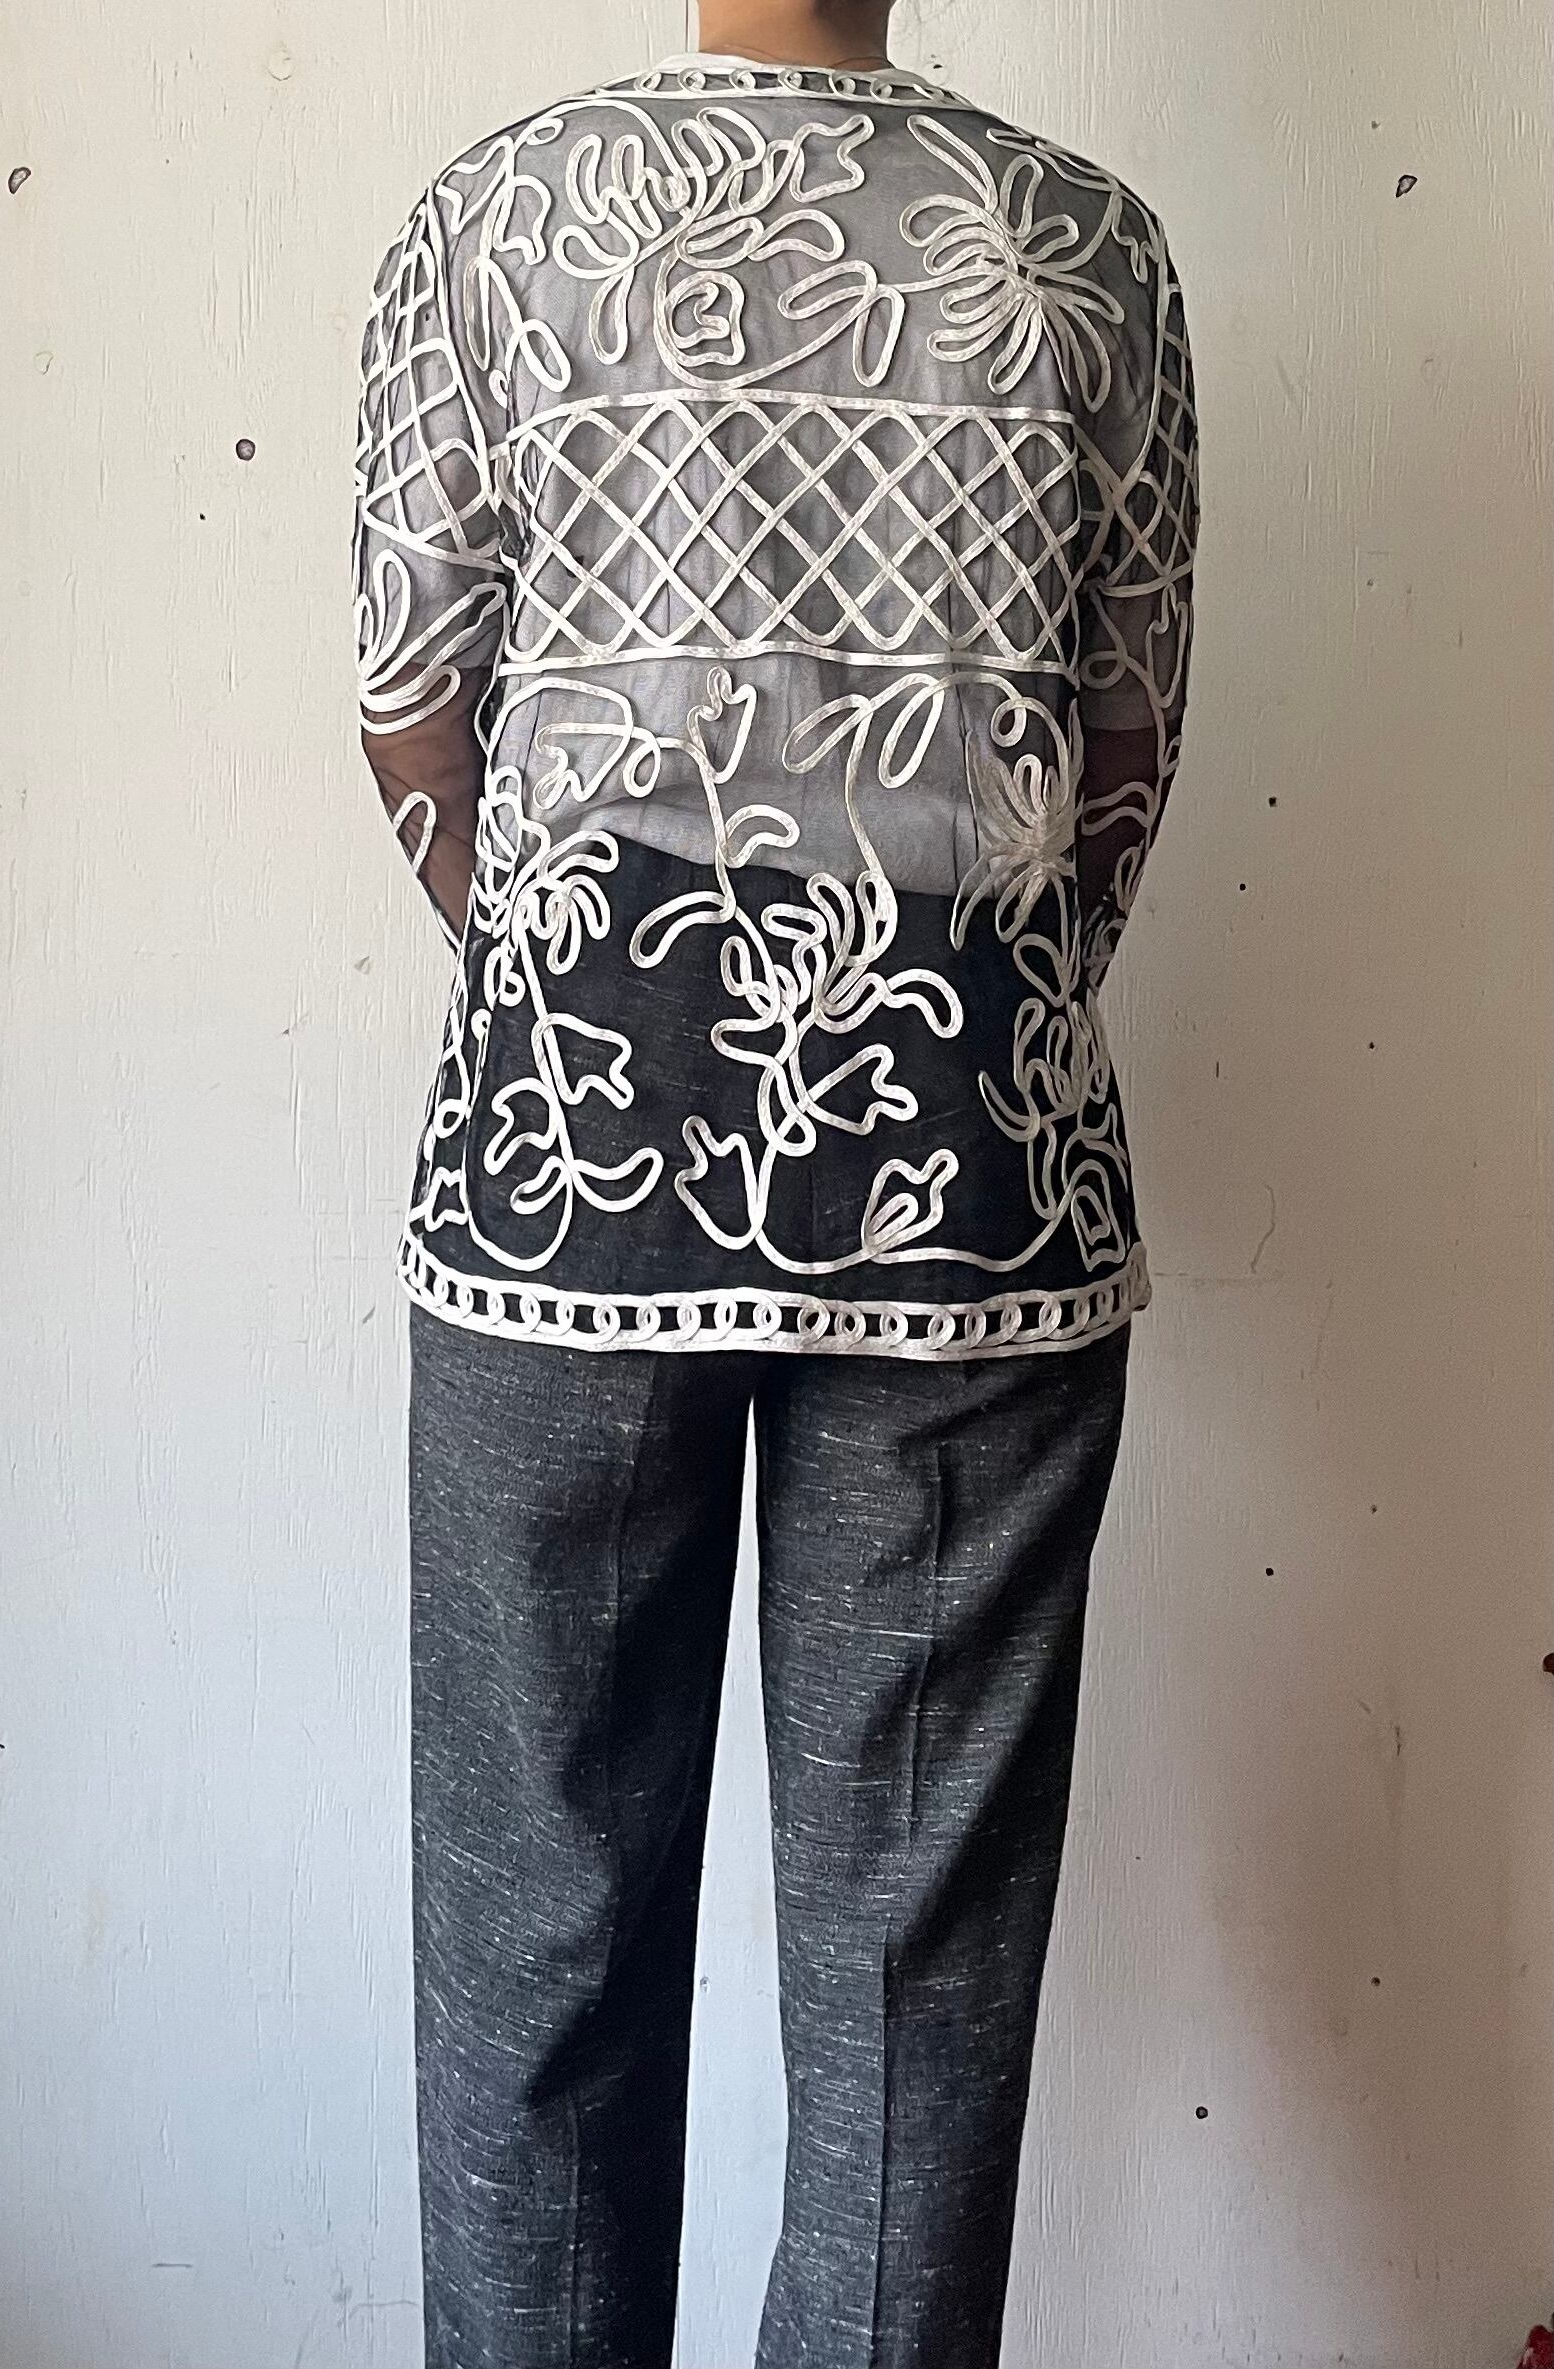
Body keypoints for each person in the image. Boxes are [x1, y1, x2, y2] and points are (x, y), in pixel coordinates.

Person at [352, 0, 1198, 2359]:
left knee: (532, 1945)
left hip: (566, 1172)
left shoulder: (497, 216)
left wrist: (587, 980)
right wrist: (968, 995)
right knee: (919, 1999)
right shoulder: (1085, 244)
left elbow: (412, 700)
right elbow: (1125, 737)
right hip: (976, 1164)